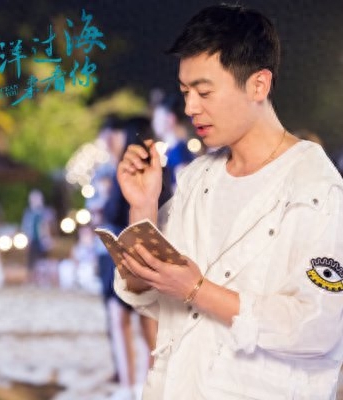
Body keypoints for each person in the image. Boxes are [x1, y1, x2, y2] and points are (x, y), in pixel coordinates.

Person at [115, 4, 343, 399]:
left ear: (258, 85)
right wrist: (144, 206)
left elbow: (319, 327)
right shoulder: (197, 177)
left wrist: (197, 290)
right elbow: (149, 295)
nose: (191, 107)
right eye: (185, 92)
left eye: (204, 92)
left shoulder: (316, 190)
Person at [100, 117, 171, 399]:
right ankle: (145, 385)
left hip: (125, 251)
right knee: (148, 323)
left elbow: (113, 212)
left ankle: (129, 386)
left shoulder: (128, 170)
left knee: (121, 320)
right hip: (150, 250)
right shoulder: (159, 169)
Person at [151, 93, 196, 190]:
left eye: (158, 118)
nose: (155, 122)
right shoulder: (173, 148)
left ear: (171, 118)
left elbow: (182, 187)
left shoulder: (178, 150)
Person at [21, 189, 54, 284]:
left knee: (43, 261)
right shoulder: (28, 213)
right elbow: (25, 226)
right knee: (31, 261)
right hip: (32, 240)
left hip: (43, 240)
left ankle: (44, 280)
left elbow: (49, 226)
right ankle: (31, 280)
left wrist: (48, 238)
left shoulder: (46, 212)